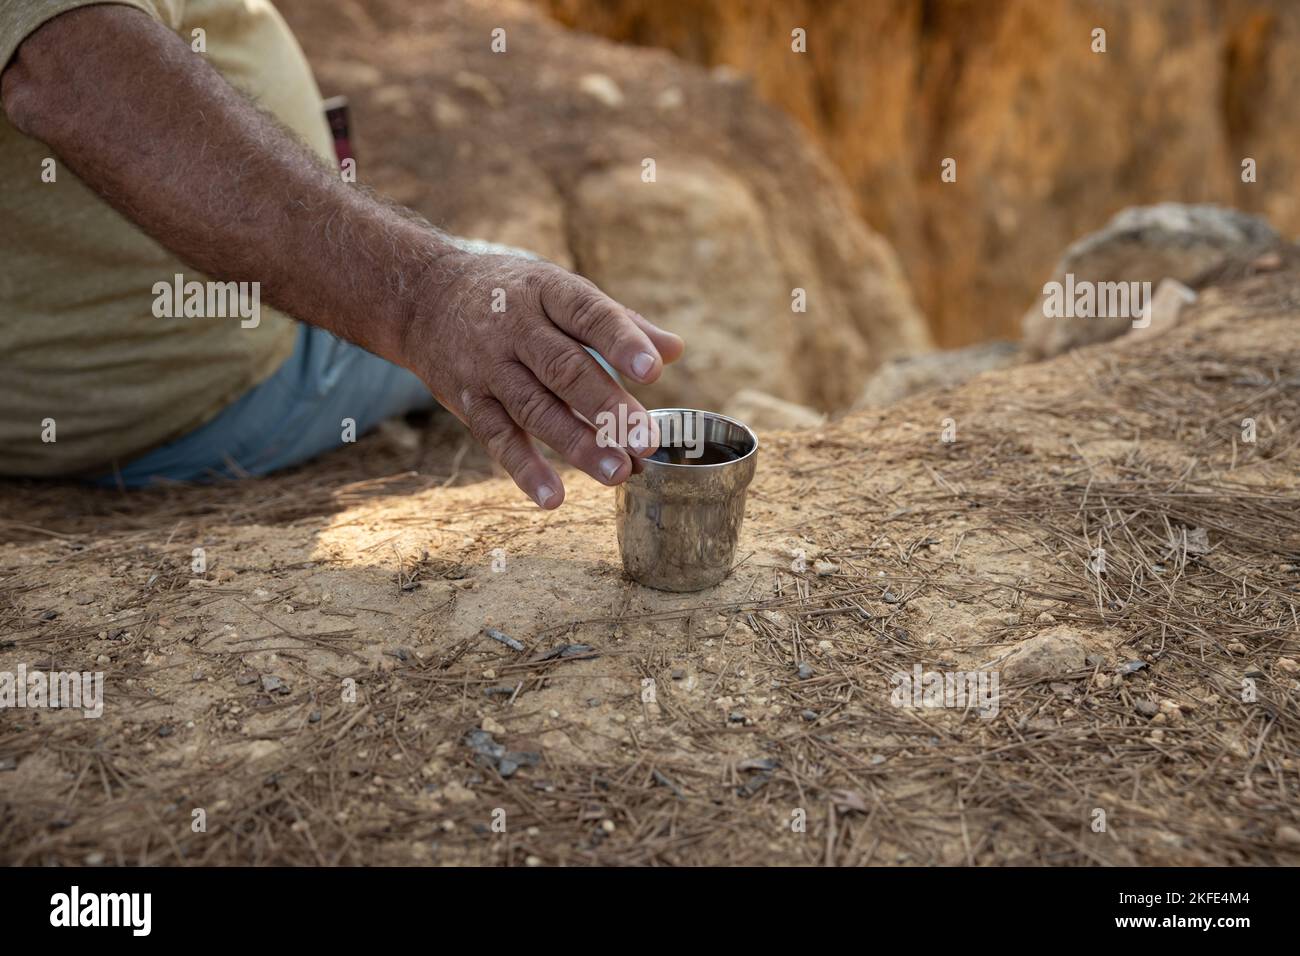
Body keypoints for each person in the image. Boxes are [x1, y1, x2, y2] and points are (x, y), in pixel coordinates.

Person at [0, 0, 683, 508]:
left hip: (107, 360)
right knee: (571, 343)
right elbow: (69, 70)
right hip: (197, 385)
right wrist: (426, 301)